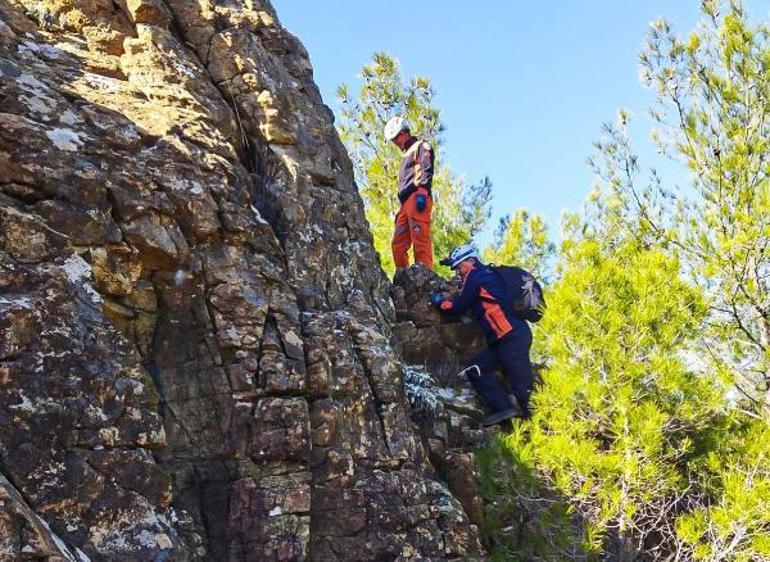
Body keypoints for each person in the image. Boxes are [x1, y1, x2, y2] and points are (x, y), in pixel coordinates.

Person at [432, 244, 535, 426]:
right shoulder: (484, 275)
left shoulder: (477, 276)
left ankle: (535, 433)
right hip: (503, 341)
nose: (457, 272)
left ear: (471, 261)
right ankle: (504, 410)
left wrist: (440, 302)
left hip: (512, 337)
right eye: (456, 269)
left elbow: (457, 306)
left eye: (459, 267)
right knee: (475, 369)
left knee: (523, 392)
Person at [384, 116, 435, 270]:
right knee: (398, 244)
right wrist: (401, 209)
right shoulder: (405, 155)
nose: (396, 143)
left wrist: (422, 193)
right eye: (393, 141)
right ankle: (403, 276)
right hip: (405, 203)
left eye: (396, 139)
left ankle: (425, 275)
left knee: (420, 239)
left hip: (417, 196)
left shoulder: (421, 146)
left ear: (404, 133)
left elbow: (426, 169)